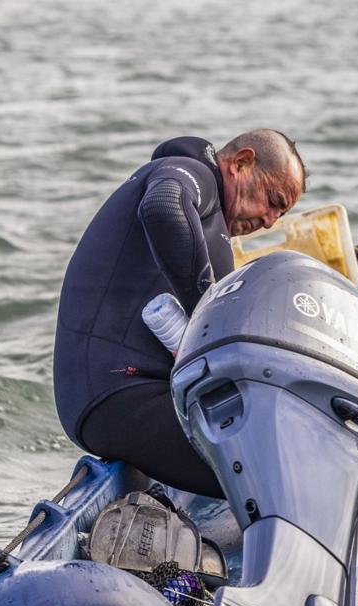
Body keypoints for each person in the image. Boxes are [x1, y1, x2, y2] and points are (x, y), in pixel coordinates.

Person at [53, 130, 306, 496]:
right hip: (117, 394)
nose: (270, 221)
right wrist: (209, 313)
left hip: (131, 394)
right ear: (241, 162)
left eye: (280, 214)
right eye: (273, 200)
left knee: (281, 440)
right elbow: (163, 206)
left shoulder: (211, 218)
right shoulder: (192, 172)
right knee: (274, 471)